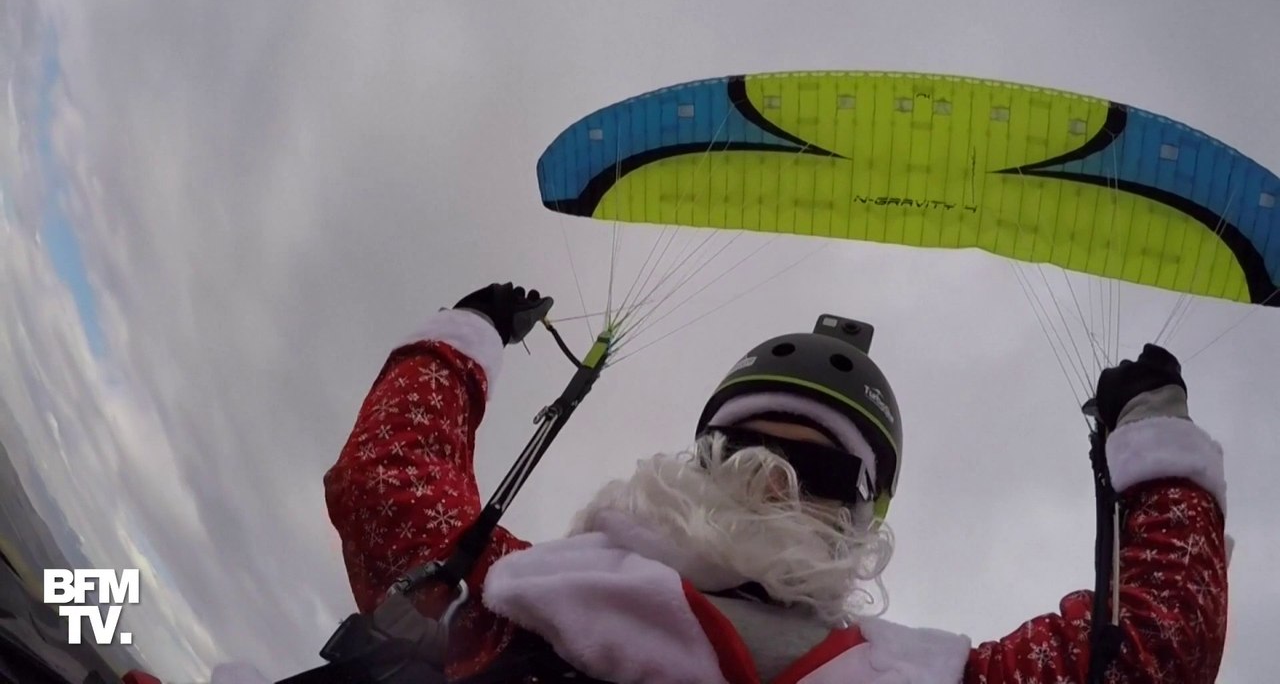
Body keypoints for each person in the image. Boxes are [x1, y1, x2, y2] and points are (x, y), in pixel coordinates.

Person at [322, 282, 1229, 683]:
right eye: (750, 449)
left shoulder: (521, 594)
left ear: (859, 510)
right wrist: (464, 339)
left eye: (819, 470)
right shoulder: (512, 602)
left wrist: (1148, 440)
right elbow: (385, 489)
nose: (772, 484)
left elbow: (1145, 653)